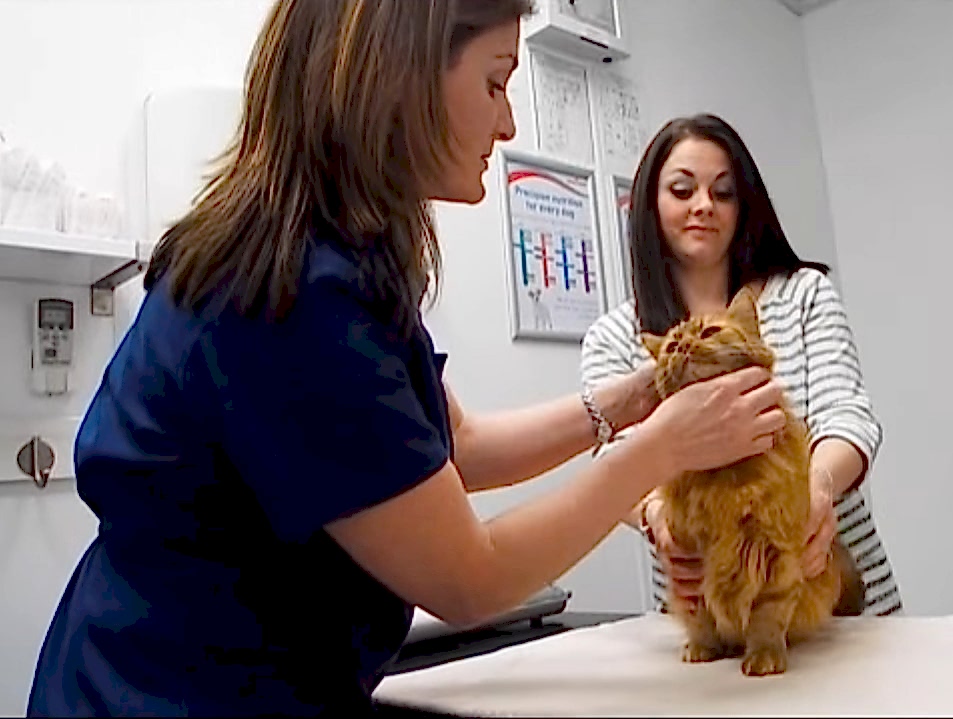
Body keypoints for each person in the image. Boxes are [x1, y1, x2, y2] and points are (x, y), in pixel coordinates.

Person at [27, 5, 788, 716]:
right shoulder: (293, 297)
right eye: (494, 82)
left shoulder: (345, 262)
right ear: (401, 75)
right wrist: (662, 448)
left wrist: (636, 398)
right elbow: (468, 578)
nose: (507, 121)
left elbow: (457, 448)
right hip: (169, 693)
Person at [581, 113, 902, 619]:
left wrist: (815, 488)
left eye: (724, 192)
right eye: (682, 190)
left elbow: (847, 416)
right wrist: (657, 517)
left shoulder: (802, 295)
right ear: (649, 205)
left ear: (744, 204)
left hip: (835, 592)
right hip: (710, 608)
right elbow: (612, 459)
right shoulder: (617, 337)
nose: (703, 205)